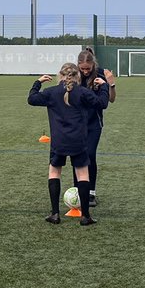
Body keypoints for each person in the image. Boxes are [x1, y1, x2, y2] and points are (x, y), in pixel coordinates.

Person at [28, 62, 108, 226]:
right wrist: (105, 86)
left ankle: (55, 214)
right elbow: (102, 104)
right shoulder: (83, 92)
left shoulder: (51, 92)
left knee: (54, 173)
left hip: (59, 141)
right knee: (83, 176)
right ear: (78, 76)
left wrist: (38, 82)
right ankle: (85, 216)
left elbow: (31, 99)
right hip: (78, 140)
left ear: (60, 76)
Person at [74, 48, 116, 207]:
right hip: (76, 123)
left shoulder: (100, 74)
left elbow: (111, 100)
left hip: (94, 123)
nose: (85, 71)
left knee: (90, 154)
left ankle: (91, 192)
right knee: (77, 155)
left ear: (93, 65)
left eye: (88, 68)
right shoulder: (75, 74)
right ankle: (78, 189)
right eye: (82, 68)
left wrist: (111, 84)